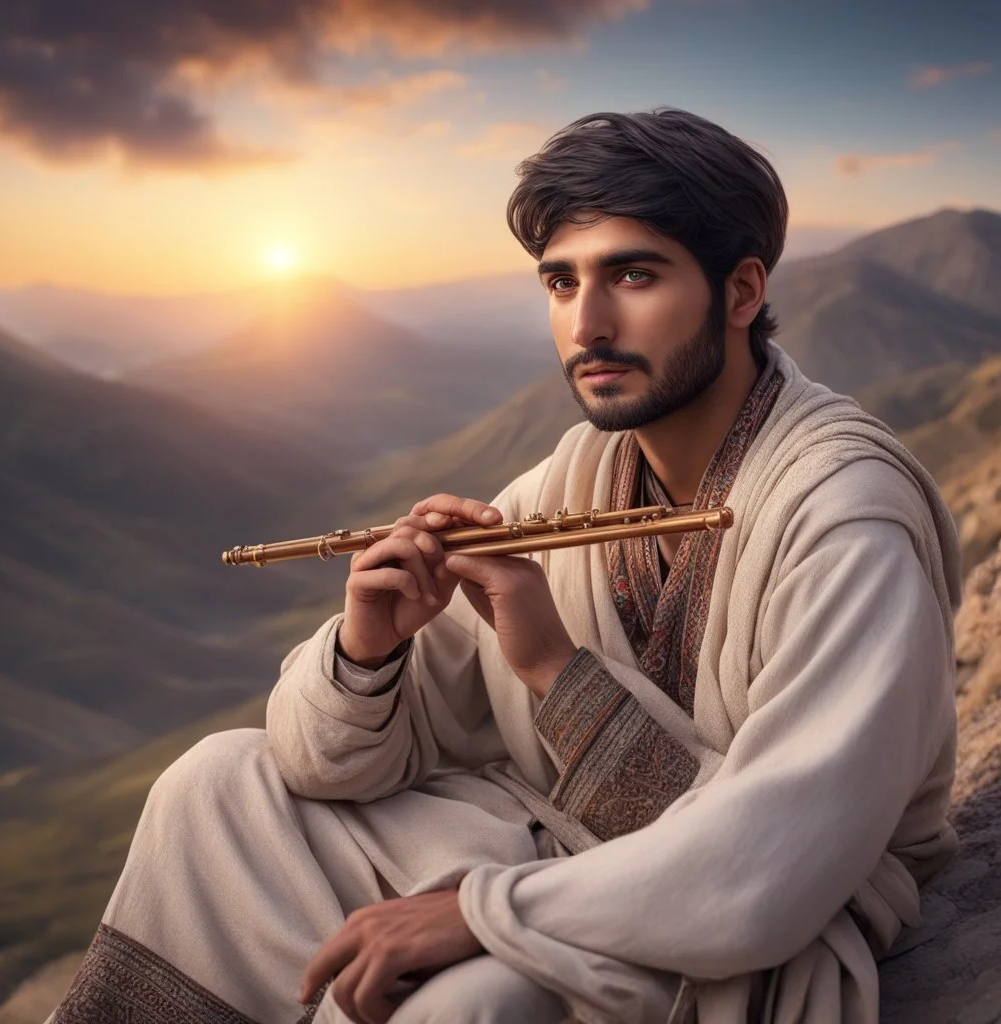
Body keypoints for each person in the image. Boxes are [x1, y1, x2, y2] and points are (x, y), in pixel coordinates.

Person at [47, 107, 961, 1024]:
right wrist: (370, 652)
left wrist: (547, 691)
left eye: (633, 274)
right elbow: (329, 767)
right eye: (560, 283)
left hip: (754, 928)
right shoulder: (579, 476)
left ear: (741, 292)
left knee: (470, 1000)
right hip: (551, 848)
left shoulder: (846, 516)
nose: (588, 323)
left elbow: (775, 863)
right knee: (214, 785)